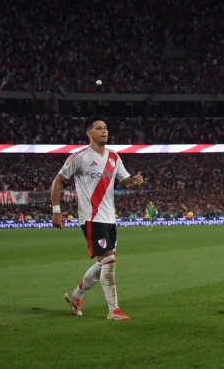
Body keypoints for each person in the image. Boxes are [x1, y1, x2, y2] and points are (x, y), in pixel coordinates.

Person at [51, 115, 144, 320]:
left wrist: (136, 182)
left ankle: (75, 296)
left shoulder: (114, 157)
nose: (104, 131)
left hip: (110, 218)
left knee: (104, 262)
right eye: (99, 128)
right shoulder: (80, 157)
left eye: (106, 127)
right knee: (109, 259)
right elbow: (58, 180)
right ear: (89, 133)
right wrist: (56, 211)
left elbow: (127, 183)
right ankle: (113, 310)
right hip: (92, 218)